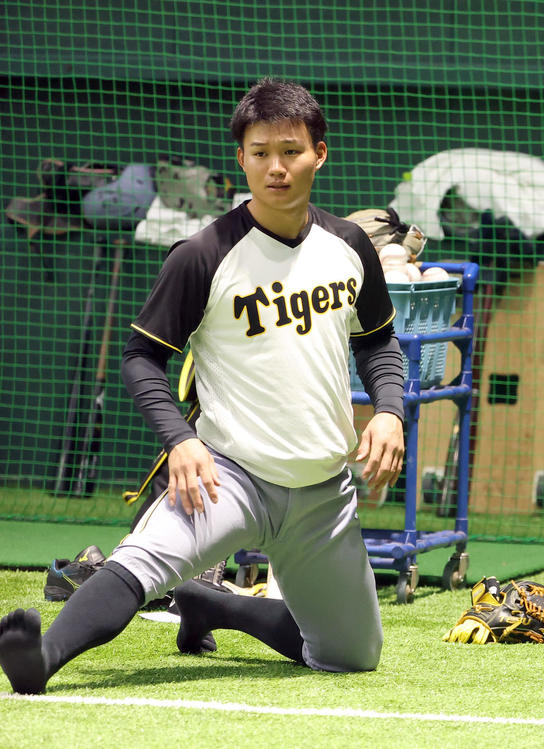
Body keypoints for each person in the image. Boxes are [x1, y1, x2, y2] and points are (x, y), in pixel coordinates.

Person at [0, 77, 407, 694]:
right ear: (241, 158)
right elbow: (142, 359)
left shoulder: (350, 246)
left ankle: (212, 604)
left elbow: (378, 341)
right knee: (138, 565)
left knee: (351, 655)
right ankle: (40, 660)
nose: (276, 167)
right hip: (227, 477)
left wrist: (390, 411)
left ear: (319, 154)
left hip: (323, 488)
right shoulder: (203, 253)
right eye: (261, 152)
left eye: (291, 151)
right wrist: (181, 440)